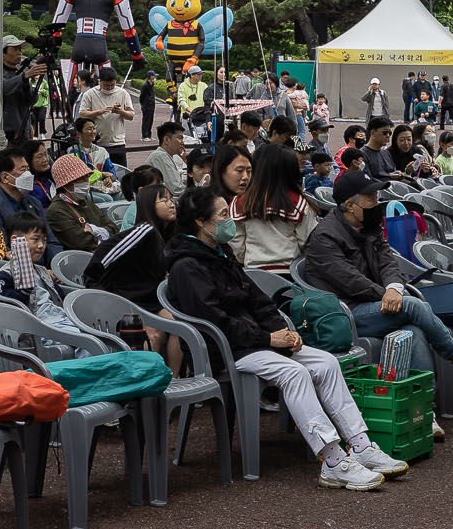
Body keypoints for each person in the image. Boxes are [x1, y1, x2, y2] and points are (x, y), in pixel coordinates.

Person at [164, 186, 404, 489]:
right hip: (226, 349)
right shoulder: (187, 266)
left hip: (254, 339)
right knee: (295, 373)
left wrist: (284, 331)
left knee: (327, 363)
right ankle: (331, 460)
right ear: (200, 221)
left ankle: (361, 445)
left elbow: (256, 298)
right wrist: (268, 338)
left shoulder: (219, 253)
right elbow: (216, 321)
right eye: (223, 215)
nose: (230, 222)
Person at [300, 172, 453, 385]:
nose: (377, 203)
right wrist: (389, 295)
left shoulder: (369, 226)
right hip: (347, 313)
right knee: (413, 306)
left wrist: (394, 288)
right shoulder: (325, 237)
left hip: (374, 304)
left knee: (413, 331)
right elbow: (350, 282)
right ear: (350, 205)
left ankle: (423, 409)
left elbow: (388, 262)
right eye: (371, 198)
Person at [90, 180, 176, 311]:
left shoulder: (167, 231)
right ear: (149, 206)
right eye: (165, 201)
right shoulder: (145, 231)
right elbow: (105, 252)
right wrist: (97, 290)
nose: (172, 205)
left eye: (171, 199)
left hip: (151, 297)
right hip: (127, 300)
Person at [234, 143, 319, 269]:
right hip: (290, 273)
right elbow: (307, 241)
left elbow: (236, 243)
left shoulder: (241, 202)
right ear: (291, 171)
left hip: (252, 273)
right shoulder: (299, 203)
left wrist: (247, 258)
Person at [42, 153, 114, 255]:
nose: (87, 181)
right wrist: (103, 233)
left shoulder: (87, 203)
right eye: (82, 178)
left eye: (87, 176)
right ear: (67, 183)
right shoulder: (57, 211)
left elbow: (114, 228)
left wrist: (94, 230)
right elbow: (82, 242)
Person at [75, 64, 139, 155]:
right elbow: (82, 114)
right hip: (96, 141)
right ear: (99, 81)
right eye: (106, 85)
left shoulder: (123, 93)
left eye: (112, 85)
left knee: (119, 168)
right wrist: (100, 111)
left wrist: (121, 111)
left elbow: (131, 116)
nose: (109, 88)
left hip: (117, 142)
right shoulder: (90, 94)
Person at [142, 121, 189, 193]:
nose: (182, 142)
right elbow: (175, 190)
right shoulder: (160, 156)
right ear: (166, 140)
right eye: (180, 138)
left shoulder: (166, 156)